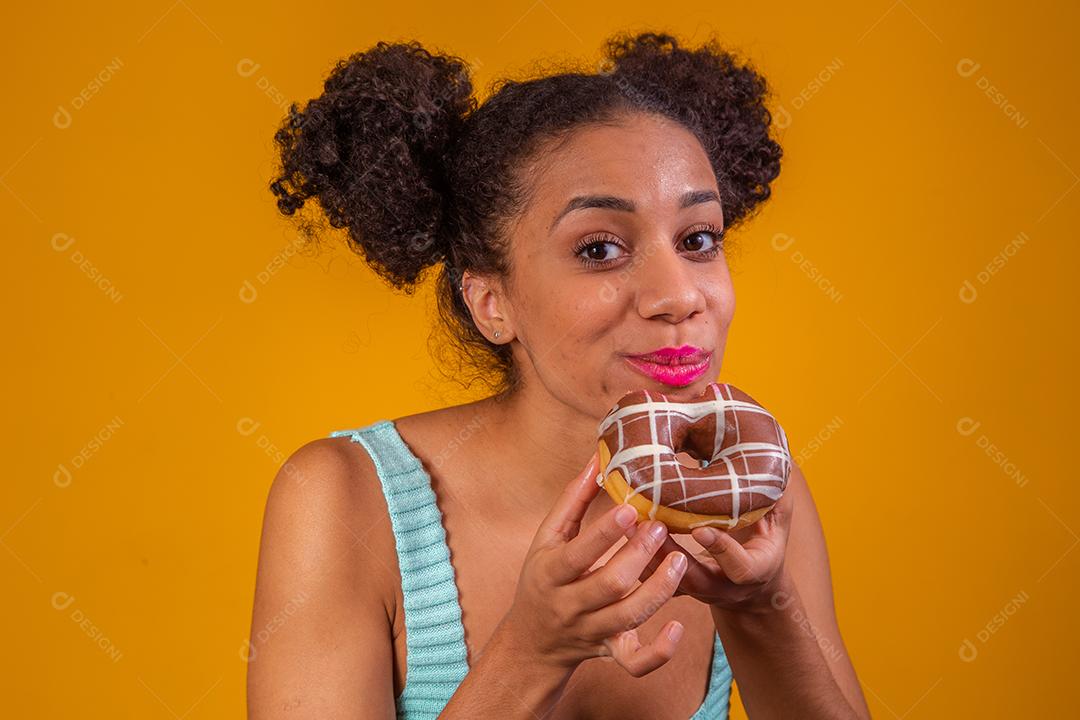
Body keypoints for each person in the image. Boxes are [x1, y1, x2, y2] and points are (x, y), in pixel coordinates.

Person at [248, 31, 870, 719]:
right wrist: (532, 652)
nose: (679, 295)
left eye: (698, 239)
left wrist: (760, 608)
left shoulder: (752, 488)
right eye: (600, 248)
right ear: (492, 302)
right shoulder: (343, 500)